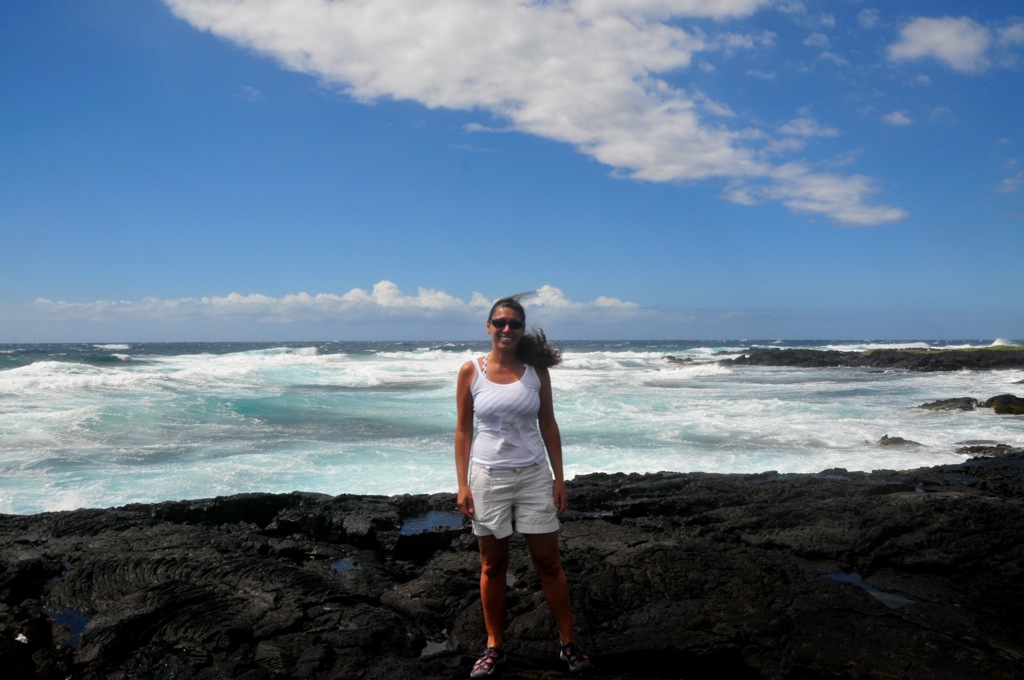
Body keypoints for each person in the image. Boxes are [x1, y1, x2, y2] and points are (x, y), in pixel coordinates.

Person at [455, 295, 592, 678]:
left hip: (533, 475)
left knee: (548, 562)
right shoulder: (471, 371)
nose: (506, 329)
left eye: (514, 324)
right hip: (487, 477)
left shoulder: (535, 372)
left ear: (521, 330)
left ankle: (568, 643)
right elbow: (463, 430)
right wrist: (462, 484)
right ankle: (494, 645)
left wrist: (558, 477)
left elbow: (548, 424)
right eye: (499, 322)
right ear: (488, 326)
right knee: (492, 564)